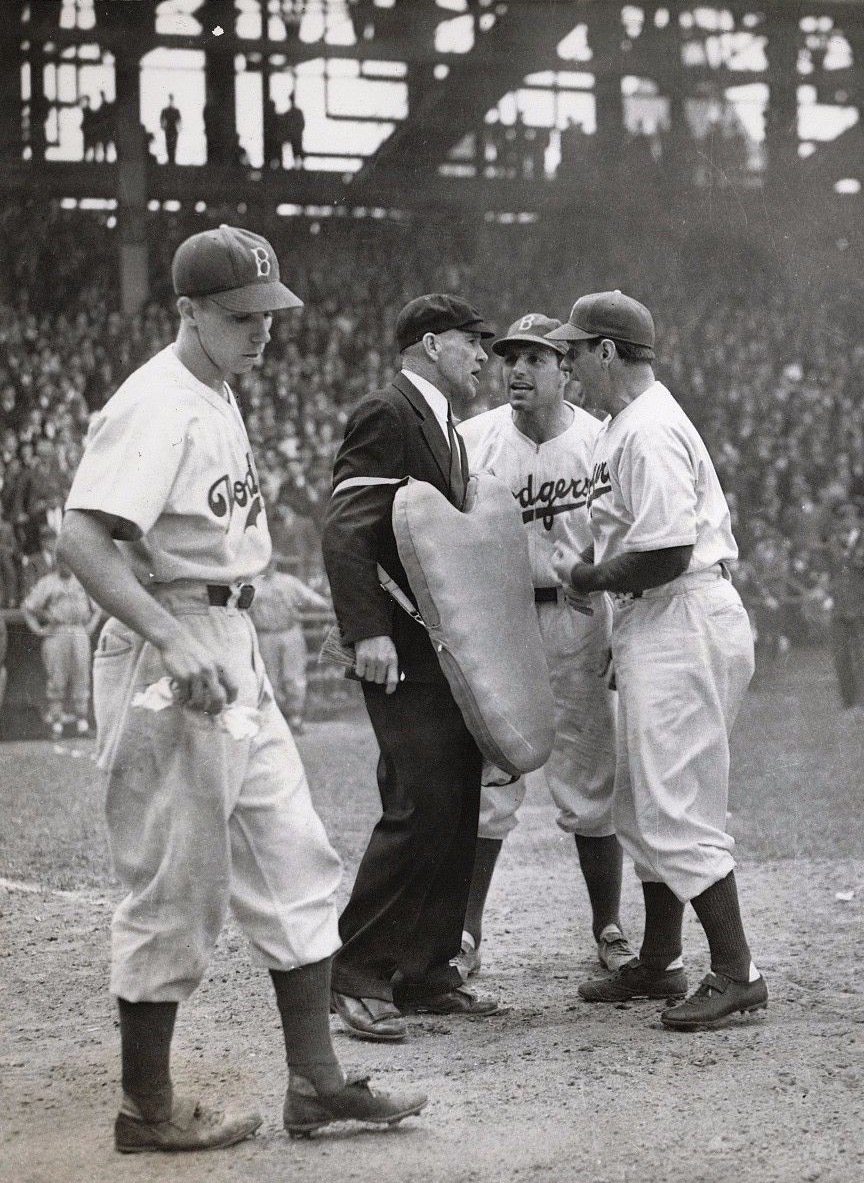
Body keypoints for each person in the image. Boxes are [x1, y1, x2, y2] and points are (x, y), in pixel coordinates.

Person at [57, 225, 425, 1153]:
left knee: (294, 857)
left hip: (231, 642)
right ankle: (147, 1107)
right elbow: (84, 540)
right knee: (174, 882)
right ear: (187, 310)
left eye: (270, 312)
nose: (263, 330)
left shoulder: (217, 387)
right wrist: (173, 637)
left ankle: (318, 1083)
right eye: (240, 315)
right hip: (169, 653)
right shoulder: (158, 402)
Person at [546, 291, 766, 1031]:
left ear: (608, 352)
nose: (568, 364)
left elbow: (669, 550)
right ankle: (661, 958)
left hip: (683, 609)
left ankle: (738, 970)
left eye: (575, 350)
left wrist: (589, 578)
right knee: (641, 800)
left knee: (678, 800)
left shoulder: (648, 429)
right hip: (656, 618)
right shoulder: (624, 426)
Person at [322, 293, 502, 1042]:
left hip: (441, 652)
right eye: (472, 343)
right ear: (431, 344)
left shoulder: (446, 428)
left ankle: (426, 970)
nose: (484, 358)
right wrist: (367, 631)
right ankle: (356, 972)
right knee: (419, 802)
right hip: (397, 647)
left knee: (456, 803)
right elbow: (344, 524)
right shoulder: (388, 412)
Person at [455, 312, 633, 979]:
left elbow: (622, 537)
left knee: (590, 777)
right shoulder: (473, 440)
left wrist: (618, 622)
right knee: (489, 781)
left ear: (566, 369)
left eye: (536, 358)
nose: (518, 370)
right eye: (510, 358)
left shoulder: (600, 440)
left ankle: (609, 928)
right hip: (502, 620)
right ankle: (465, 934)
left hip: (578, 617)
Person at [20, 551, 99, 738]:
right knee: (57, 677)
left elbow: (97, 607)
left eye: (69, 562)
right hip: (57, 631)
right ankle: (56, 724)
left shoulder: (83, 581)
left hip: (78, 630)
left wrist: (90, 627)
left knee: (82, 674)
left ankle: (82, 722)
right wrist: (39, 630)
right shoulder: (48, 582)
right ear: (57, 563)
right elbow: (28, 607)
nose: (66, 566)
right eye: (62, 563)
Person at [249, 554, 331, 735]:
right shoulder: (252, 584)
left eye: (271, 562)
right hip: (265, 635)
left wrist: (327, 604)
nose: (268, 566)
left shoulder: (288, 582)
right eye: (265, 562)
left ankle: (295, 719)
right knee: (270, 679)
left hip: (290, 632)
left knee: (294, 677)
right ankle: (275, 720)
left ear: (275, 563)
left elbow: (310, 597)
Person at [822, 497, 864, 711]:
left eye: (850, 519)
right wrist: (829, 596)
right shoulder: (833, 544)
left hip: (860, 606)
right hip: (839, 605)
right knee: (841, 656)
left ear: (857, 521)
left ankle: (859, 701)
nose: (846, 523)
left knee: (860, 655)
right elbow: (831, 573)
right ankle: (847, 701)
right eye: (842, 519)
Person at [160, 95, 180, 165]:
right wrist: (162, 126)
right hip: (169, 129)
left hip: (172, 129)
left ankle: (172, 160)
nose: (170, 101)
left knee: (173, 144)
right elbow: (161, 119)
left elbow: (179, 120)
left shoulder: (175, 110)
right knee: (169, 144)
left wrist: (179, 128)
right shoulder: (166, 110)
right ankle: (171, 160)